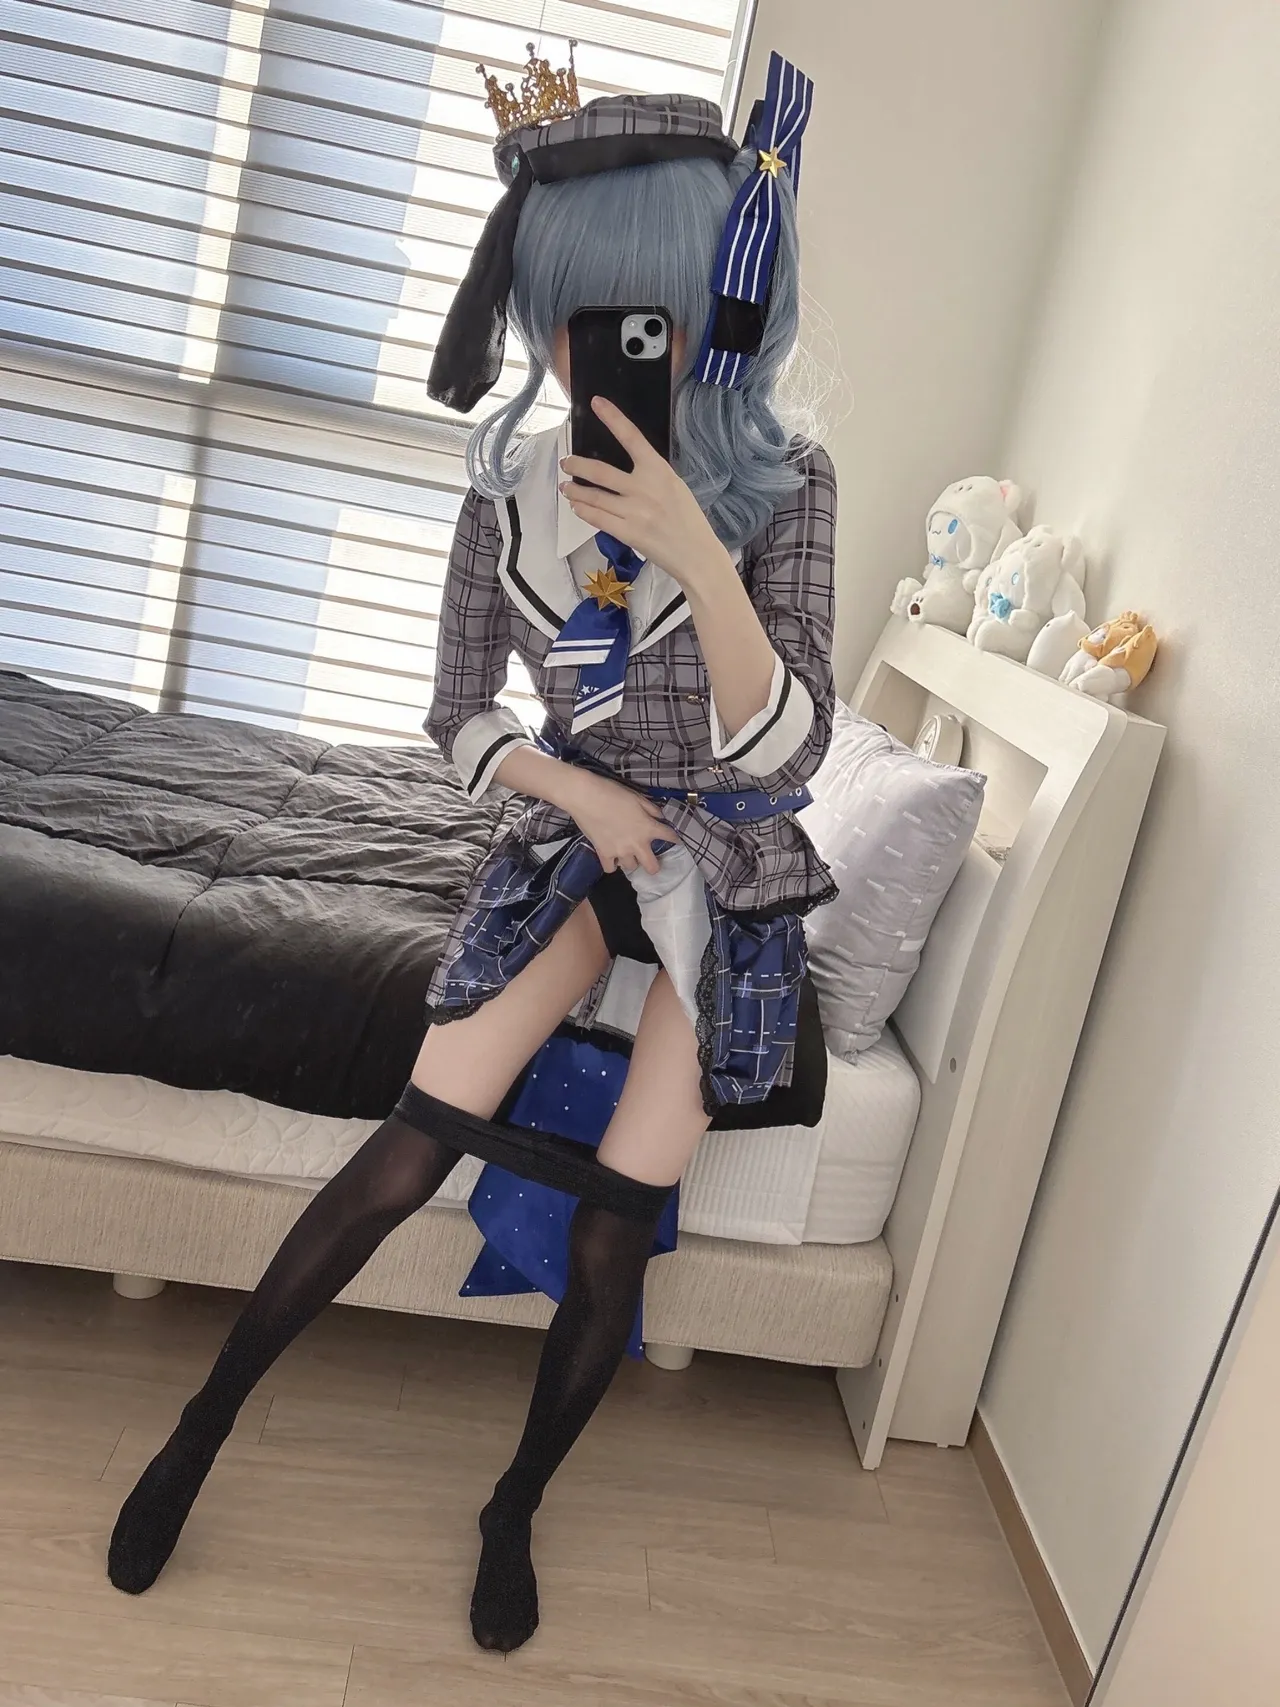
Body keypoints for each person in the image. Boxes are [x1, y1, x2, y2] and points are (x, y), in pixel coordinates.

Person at [106, 49, 835, 1655]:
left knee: (617, 1220)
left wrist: (700, 554)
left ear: (713, 309)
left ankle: (513, 1506)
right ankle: (199, 1428)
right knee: (412, 1142)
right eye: (571, 318)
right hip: (575, 831)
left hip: (724, 871)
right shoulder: (506, 488)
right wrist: (579, 795)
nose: (595, 355)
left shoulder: (788, 488)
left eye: (637, 319)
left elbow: (789, 751)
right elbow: (455, 711)